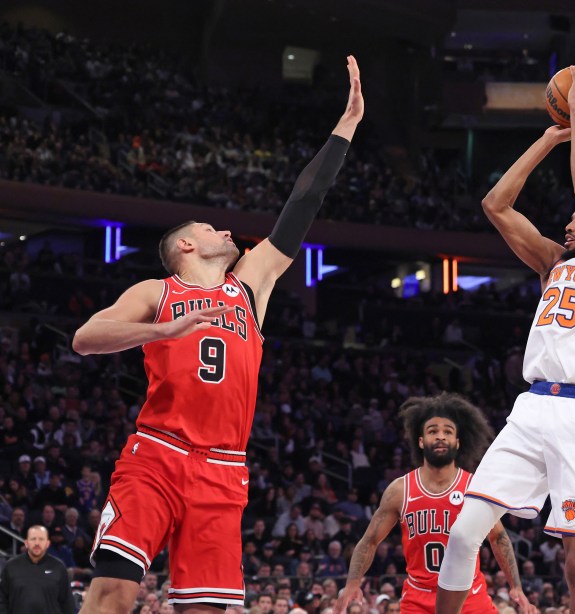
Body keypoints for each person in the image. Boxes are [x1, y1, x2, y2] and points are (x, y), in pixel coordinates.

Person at [71, 56, 364, 613]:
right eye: (210, 228)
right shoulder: (157, 291)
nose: (225, 230)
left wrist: (345, 127)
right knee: (113, 590)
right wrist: (166, 326)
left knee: (203, 608)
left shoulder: (249, 285)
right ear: (185, 246)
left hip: (224, 465)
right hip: (157, 451)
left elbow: (302, 205)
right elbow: (85, 338)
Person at [437, 64, 575, 614]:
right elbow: (495, 205)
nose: (569, 224)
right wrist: (550, 135)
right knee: (463, 535)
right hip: (531, 407)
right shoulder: (553, 263)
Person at [337, 394, 531, 613]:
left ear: (457, 442)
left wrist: (516, 586)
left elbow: (498, 537)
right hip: (419, 597)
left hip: (468, 594)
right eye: (432, 431)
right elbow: (370, 541)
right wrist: (353, 582)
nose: (440, 437)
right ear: (421, 441)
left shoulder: (473, 486)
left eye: (448, 432)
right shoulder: (401, 490)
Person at [0, 525, 74, 613]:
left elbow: (67, 603)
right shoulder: (11, 566)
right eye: (33, 539)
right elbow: (2, 600)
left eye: (41, 539)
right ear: (26, 543)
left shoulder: (58, 567)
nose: (37, 543)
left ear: (47, 543)